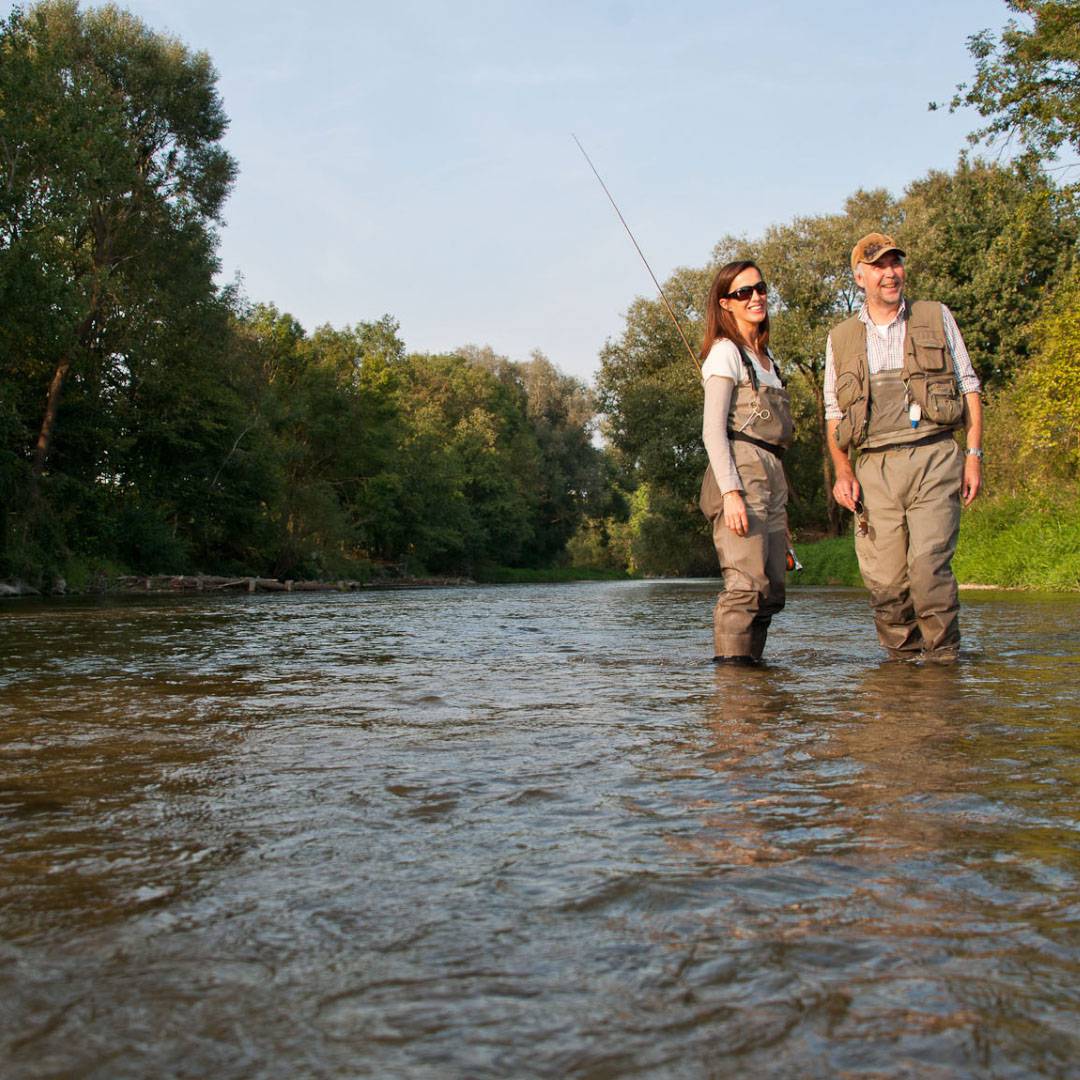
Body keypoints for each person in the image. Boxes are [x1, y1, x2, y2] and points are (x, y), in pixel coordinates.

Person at [824, 232, 983, 663]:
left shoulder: (936, 315)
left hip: (935, 458)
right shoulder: (840, 338)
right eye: (879, 266)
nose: (891, 273)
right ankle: (901, 674)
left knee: (929, 571)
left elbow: (969, 388)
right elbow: (833, 415)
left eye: (895, 263)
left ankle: (943, 665)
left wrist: (973, 456)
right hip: (873, 468)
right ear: (860, 277)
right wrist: (843, 471)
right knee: (887, 584)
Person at [698, 260, 794, 665]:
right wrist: (731, 492)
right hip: (740, 471)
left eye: (760, 289)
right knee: (745, 587)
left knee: (772, 589)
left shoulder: (767, 358)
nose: (756, 297)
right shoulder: (725, 353)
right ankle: (734, 685)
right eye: (743, 293)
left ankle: (754, 676)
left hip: (773, 473)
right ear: (726, 304)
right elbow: (712, 431)